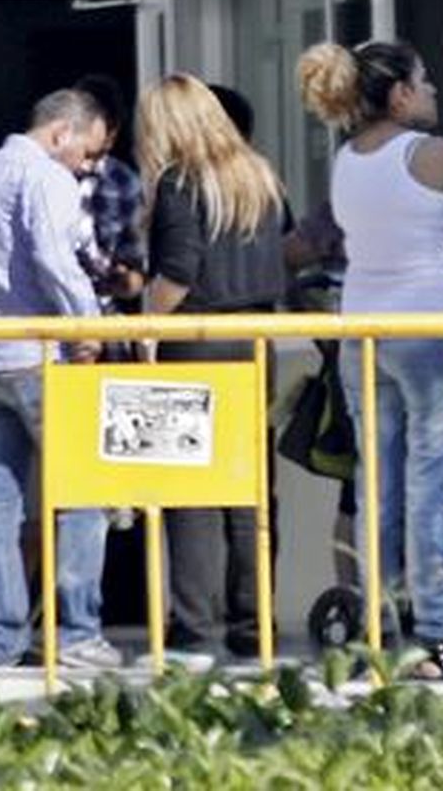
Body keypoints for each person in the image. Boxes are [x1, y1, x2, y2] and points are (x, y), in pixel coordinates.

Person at [299, 39, 443, 679]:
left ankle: (378, 629)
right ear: (399, 95)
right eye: (424, 80)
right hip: (430, 326)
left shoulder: (345, 161)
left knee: (376, 488)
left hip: (362, 328)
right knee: (430, 490)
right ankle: (438, 636)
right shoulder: (434, 154)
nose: (434, 90)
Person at [0, 87, 120, 669]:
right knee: (82, 491)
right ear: (61, 132)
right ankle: (77, 632)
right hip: (38, 354)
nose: (87, 167)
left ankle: (0, 639)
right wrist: (87, 328)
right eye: (86, 153)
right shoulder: (45, 177)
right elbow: (55, 260)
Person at [137, 73, 287, 667]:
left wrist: (147, 324)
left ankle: (194, 627)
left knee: (191, 489)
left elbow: (179, 270)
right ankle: (255, 622)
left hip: (196, 341)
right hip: (257, 340)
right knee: (250, 490)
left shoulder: (181, 181)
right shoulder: (258, 175)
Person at [67, 75, 146, 317]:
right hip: (47, 316)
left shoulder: (124, 182)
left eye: (98, 152)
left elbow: (135, 272)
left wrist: (121, 280)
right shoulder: (44, 177)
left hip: (101, 314)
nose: (87, 164)